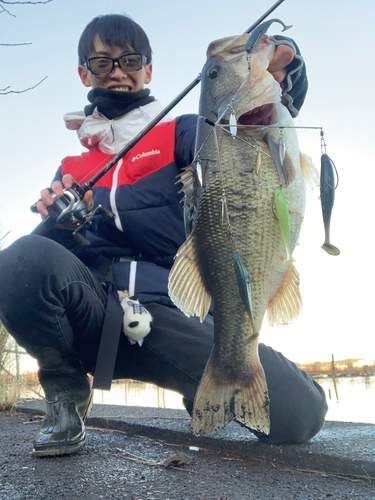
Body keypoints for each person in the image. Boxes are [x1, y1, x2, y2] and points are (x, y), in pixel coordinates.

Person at [0, 14, 327, 457]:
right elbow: (43, 271)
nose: (117, 70)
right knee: (19, 258)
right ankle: (65, 393)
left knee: (299, 414)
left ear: (149, 70)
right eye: (102, 63)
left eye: (130, 60)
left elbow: (252, 140)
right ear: (84, 73)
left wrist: (285, 78)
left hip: (170, 314)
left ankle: (199, 385)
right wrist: (59, 223)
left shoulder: (187, 132)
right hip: (94, 314)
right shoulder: (71, 169)